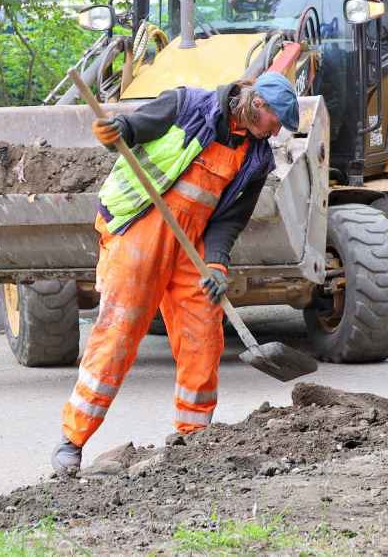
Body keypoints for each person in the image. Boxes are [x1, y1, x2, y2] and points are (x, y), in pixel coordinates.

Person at [52, 71, 300, 475]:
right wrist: (116, 130)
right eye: (277, 122)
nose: (276, 132)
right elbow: (134, 128)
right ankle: (72, 440)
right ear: (259, 106)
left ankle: (194, 440)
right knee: (118, 334)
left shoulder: (257, 158)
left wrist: (217, 263)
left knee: (203, 334)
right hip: (139, 227)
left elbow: (230, 219)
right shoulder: (188, 106)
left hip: (193, 246)